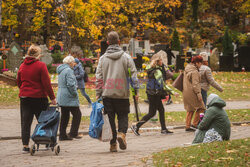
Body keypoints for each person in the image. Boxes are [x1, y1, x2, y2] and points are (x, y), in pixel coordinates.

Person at [96, 31, 139, 152]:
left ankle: (113, 144)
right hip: (122, 93)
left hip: (107, 94)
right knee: (123, 115)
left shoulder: (103, 58)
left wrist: (98, 92)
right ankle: (122, 133)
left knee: (110, 120)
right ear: (119, 42)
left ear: (108, 43)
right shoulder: (126, 57)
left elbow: (99, 77)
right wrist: (135, 90)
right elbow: (133, 75)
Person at [17, 45, 57, 153]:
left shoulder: (22, 66)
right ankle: (45, 141)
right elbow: (46, 83)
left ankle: (25, 145)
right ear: (38, 55)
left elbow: (19, 81)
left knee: (25, 122)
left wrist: (24, 90)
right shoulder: (41, 65)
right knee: (44, 120)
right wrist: (52, 98)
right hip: (39, 98)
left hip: (25, 98)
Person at [131, 54, 177, 136]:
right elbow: (162, 84)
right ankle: (136, 126)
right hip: (155, 94)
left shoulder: (151, 69)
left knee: (160, 110)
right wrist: (172, 92)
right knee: (152, 113)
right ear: (157, 61)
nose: (162, 62)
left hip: (152, 93)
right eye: (161, 60)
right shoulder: (157, 71)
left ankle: (163, 129)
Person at [57, 55, 82, 141]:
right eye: (73, 62)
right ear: (70, 63)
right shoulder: (69, 71)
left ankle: (62, 135)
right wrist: (75, 93)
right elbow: (71, 84)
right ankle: (73, 133)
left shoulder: (61, 70)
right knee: (77, 114)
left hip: (61, 96)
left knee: (65, 116)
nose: (74, 64)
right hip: (69, 96)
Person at [183, 55, 206, 131]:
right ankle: (195, 124)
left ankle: (188, 125)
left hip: (186, 91)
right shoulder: (194, 71)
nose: (201, 65)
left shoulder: (187, 68)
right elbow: (195, 84)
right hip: (193, 92)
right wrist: (199, 94)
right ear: (197, 63)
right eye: (200, 63)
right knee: (202, 107)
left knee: (190, 109)